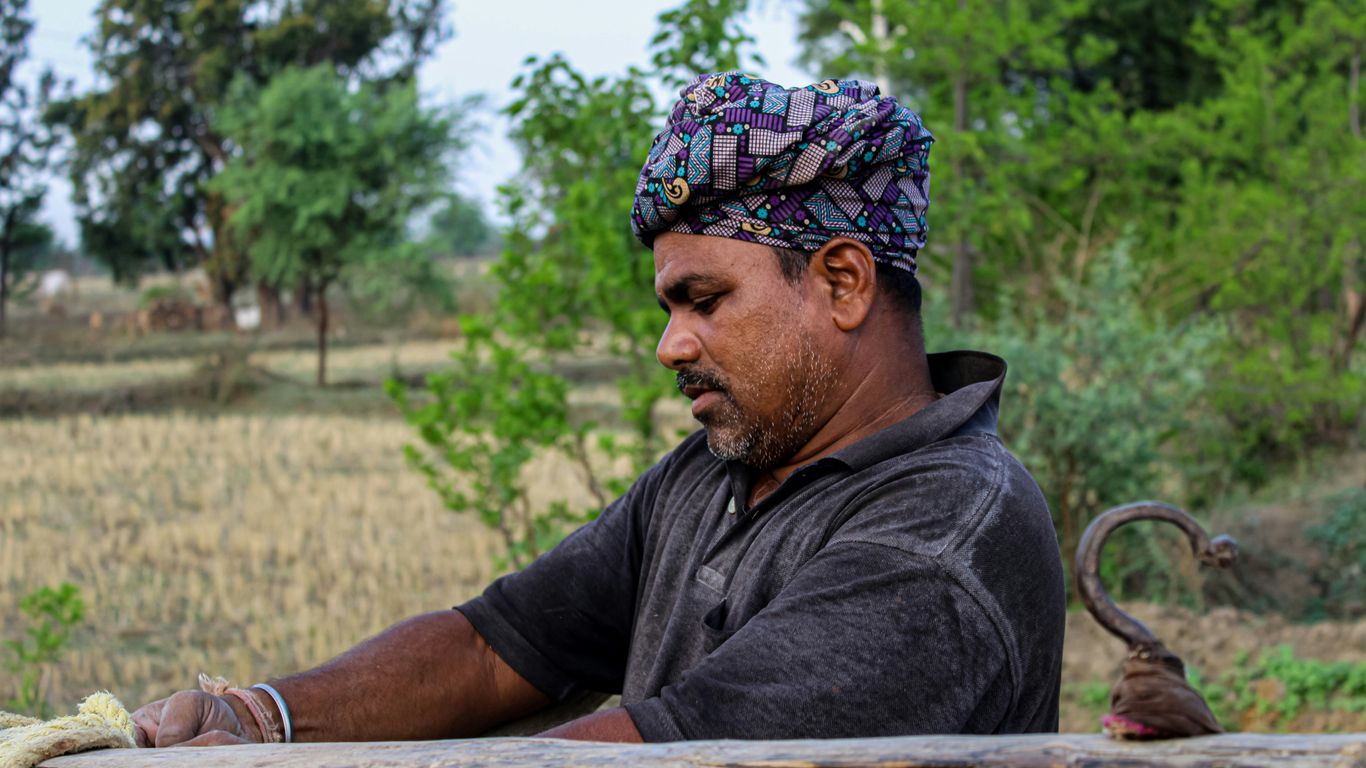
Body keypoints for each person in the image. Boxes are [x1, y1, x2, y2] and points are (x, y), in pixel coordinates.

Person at [132, 73, 1065, 748]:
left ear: (843, 282)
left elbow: (679, 748)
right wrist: (260, 719)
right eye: (669, 308)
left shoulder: (945, 530)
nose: (671, 345)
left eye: (705, 301)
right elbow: (497, 646)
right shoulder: (716, 471)